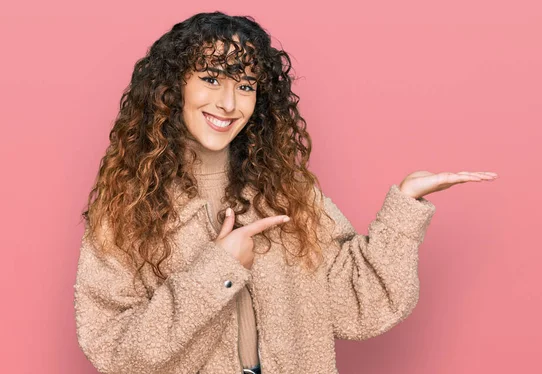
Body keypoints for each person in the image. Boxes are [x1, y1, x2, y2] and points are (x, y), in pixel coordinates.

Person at [73, 10, 498, 374]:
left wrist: (404, 209)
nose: (228, 103)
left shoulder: (286, 193)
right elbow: (113, 349)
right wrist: (218, 270)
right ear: (172, 87)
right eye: (210, 79)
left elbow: (361, 307)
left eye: (245, 86)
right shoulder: (127, 207)